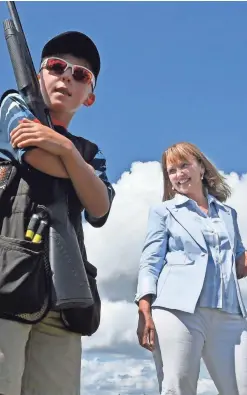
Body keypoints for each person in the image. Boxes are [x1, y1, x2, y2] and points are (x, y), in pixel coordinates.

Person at [0, 31, 115, 395]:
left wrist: (64, 149)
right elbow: (31, 150)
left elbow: (100, 207)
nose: (67, 76)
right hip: (7, 283)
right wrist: (79, 170)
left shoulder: (88, 151)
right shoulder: (12, 105)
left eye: (81, 75)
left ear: (90, 97)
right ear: (38, 76)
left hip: (65, 298)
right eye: (56, 67)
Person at [135, 142, 247, 395]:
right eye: (172, 170)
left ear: (202, 168)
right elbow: (150, 261)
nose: (179, 174)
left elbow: (239, 258)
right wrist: (144, 309)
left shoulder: (228, 213)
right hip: (177, 310)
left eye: (185, 165)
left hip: (229, 312)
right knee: (178, 389)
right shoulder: (163, 212)